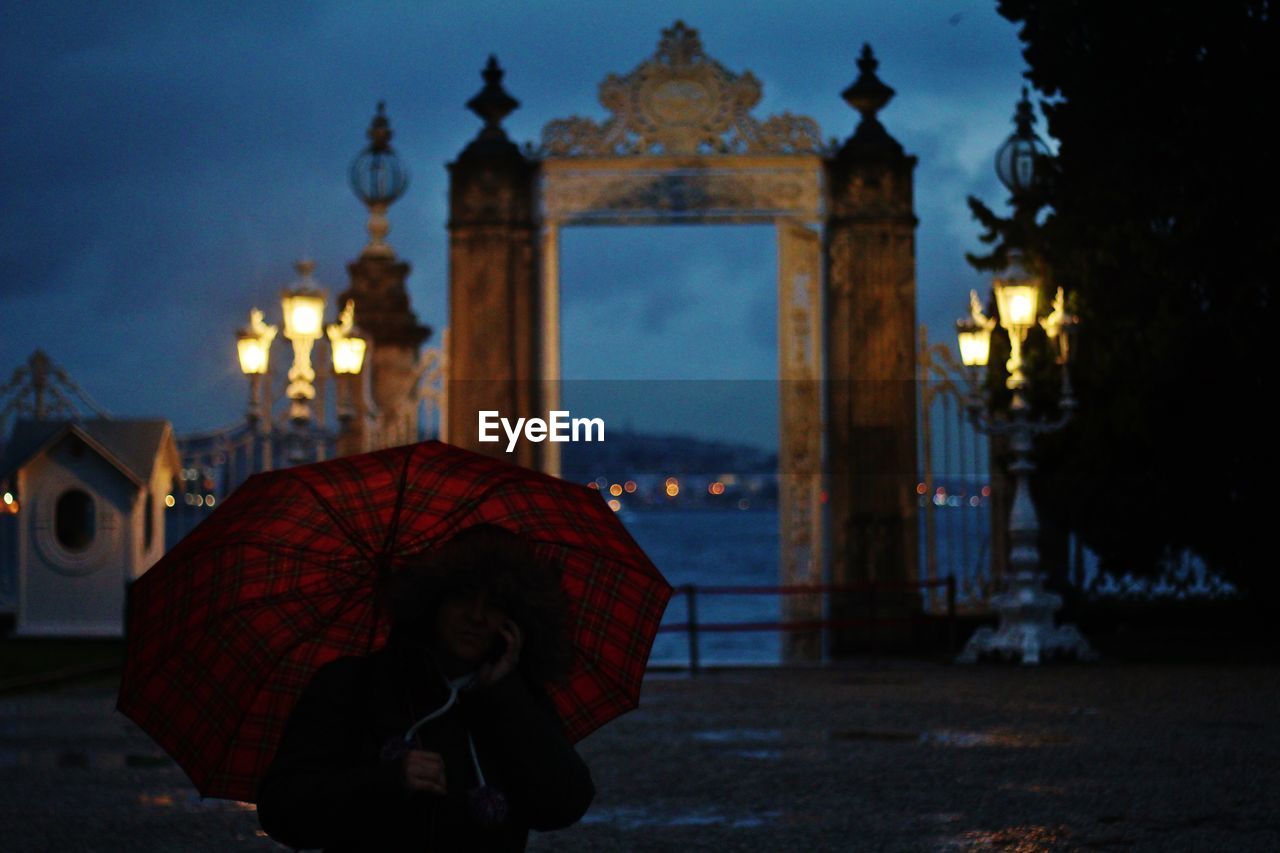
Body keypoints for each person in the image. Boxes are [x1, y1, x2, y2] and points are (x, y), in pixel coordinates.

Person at [256, 524, 595, 852]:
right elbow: (284, 810)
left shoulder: (517, 697)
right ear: (434, 600)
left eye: (495, 603)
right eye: (463, 596)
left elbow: (562, 805)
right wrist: (386, 782)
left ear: (516, 620)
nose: (476, 616)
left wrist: (505, 698)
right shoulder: (351, 686)